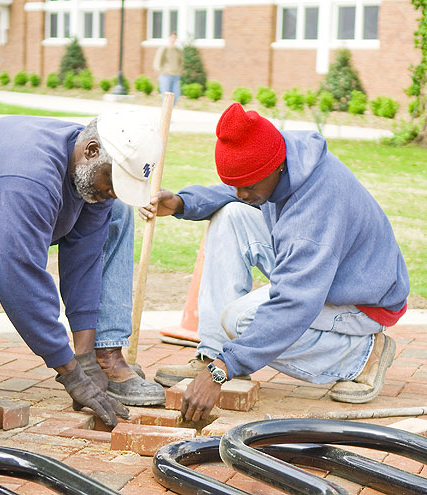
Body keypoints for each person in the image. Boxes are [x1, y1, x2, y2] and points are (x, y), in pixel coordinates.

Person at [142, 103, 409, 422]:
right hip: (329, 272)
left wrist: (222, 371)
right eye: (238, 184)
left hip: (362, 300)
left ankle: (362, 358)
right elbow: (237, 186)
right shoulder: (279, 154)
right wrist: (183, 203)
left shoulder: (312, 215)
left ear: (276, 167)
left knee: (241, 321)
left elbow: (294, 304)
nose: (242, 192)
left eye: (250, 186)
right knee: (231, 216)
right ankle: (212, 351)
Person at [0, 111, 165, 428]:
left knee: (118, 210)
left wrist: (84, 357)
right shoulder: (28, 177)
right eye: (112, 181)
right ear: (91, 150)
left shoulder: (90, 169)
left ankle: (104, 354)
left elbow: (85, 261)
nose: (112, 191)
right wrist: (69, 372)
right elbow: (18, 282)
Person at [153, 32, 183, 103]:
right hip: (165, 75)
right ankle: (165, 113)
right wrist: (159, 70)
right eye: (172, 37)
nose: (173, 39)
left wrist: (180, 70)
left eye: (175, 37)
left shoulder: (178, 50)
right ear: (169, 38)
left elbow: (181, 62)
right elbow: (157, 60)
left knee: (176, 95)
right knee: (166, 97)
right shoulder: (164, 49)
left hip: (176, 75)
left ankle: (169, 111)